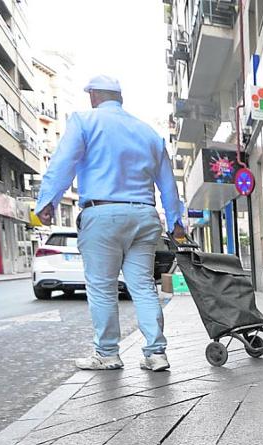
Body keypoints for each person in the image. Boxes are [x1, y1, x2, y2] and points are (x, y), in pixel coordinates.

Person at [35, 75, 188, 372]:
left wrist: (47, 203)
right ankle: (156, 353)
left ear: (93, 96)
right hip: (144, 216)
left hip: (102, 214)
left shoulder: (84, 122)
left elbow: (63, 163)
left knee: (103, 288)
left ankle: (107, 353)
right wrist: (175, 221)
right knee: (143, 286)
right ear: (120, 98)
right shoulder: (149, 134)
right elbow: (168, 184)